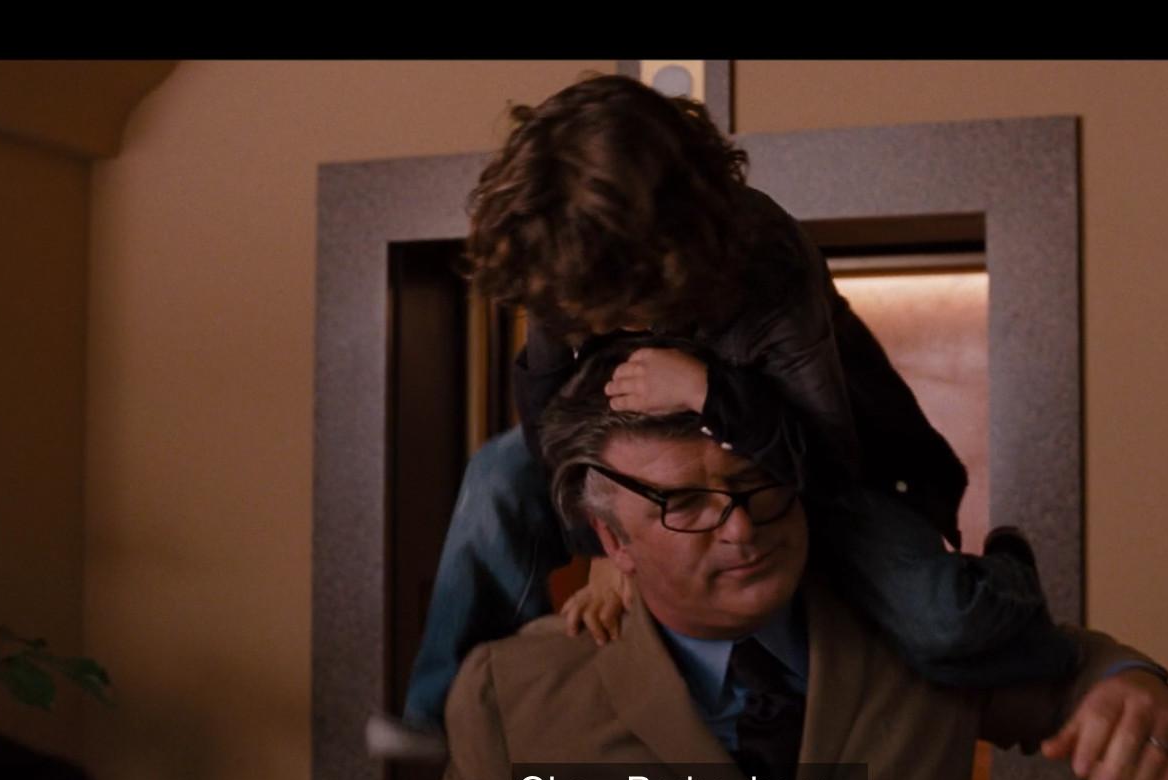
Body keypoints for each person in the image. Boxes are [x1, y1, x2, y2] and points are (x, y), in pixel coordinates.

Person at [396, 73, 1072, 744]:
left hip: (805, 455)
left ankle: (1010, 573)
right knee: (496, 475)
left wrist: (706, 391)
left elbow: (826, 459)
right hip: (637, 448)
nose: (594, 326)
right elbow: (546, 412)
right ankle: (446, 710)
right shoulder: (564, 253)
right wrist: (600, 541)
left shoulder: (769, 260)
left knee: (948, 628)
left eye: (613, 309)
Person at [440, 345, 1168, 780]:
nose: (743, 530)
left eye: (759, 484)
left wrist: (1143, 685)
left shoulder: (918, 642)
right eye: (686, 505)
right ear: (613, 542)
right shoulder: (514, 697)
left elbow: (1085, 672)